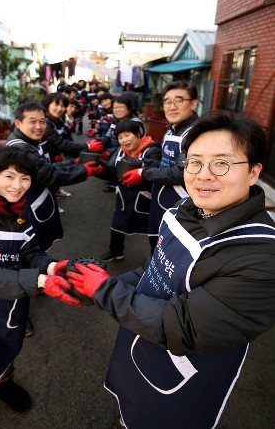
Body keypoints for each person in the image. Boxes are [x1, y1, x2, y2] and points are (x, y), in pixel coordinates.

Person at [65, 112, 275, 429]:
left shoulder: (261, 254)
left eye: (222, 163)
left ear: (253, 172)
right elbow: (155, 271)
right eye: (194, 163)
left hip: (187, 369)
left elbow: (184, 327)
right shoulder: (184, 210)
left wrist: (105, 291)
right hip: (142, 339)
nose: (204, 175)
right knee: (131, 408)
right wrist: (93, 288)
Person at [0, 146, 82, 428]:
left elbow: (30, 251)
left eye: (25, 179)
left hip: (9, 303)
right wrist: (42, 281)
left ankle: (3, 384)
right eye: (9, 176)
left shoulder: (19, 213)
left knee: (7, 347)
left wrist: (54, 267)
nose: (18, 186)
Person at [6, 101, 102, 251]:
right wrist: (83, 171)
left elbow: (45, 167)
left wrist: (73, 163)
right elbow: (49, 174)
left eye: (42, 121)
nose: (38, 126)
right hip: (29, 207)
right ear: (18, 123)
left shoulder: (28, 142)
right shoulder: (20, 148)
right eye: (32, 122)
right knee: (34, 250)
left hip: (40, 200)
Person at [141, 80, 199, 248]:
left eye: (178, 101)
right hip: (160, 200)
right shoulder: (171, 129)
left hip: (181, 206)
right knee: (155, 245)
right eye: (167, 102)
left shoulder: (196, 134)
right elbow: (164, 161)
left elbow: (181, 173)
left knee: (171, 250)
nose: (171, 106)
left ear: (193, 104)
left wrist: (142, 173)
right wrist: (143, 162)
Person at [98, 120, 161, 262]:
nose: (124, 140)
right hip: (124, 196)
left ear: (138, 134)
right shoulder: (121, 151)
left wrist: (141, 172)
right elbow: (112, 171)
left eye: (127, 135)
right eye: (120, 137)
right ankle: (116, 251)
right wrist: (97, 168)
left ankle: (156, 260)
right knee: (117, 224)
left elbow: (156, 170)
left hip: (146, 197)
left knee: (153, 230)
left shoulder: (152, 150)